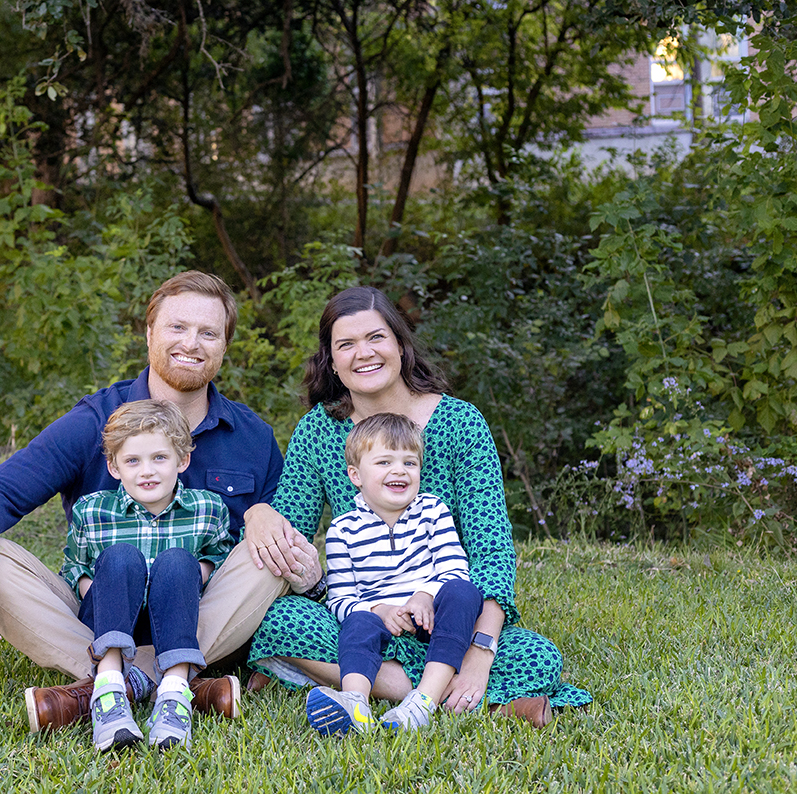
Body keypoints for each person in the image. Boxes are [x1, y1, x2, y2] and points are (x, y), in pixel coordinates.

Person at [0, 271, 318, 732]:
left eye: (208, 332)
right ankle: (168, 682)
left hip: (200, 612)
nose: (191, 343)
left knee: (268, 553)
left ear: (224, 345)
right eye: (178, 327)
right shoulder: (96, 421)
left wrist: (261, 514)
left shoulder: (252, 437)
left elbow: (294, 555)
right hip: (97, 613)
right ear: (150, 332)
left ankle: (109, 687)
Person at [243, 286, 591, 727]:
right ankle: (453, 698)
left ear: (401, 346)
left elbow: (491, 550)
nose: (363, 354)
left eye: (376, 338)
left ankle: (363, 686)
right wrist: (258, 514)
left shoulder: (460, 423)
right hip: (365, 620)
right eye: (345, 344)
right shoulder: (319, 429)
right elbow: (289, 532)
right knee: (281, 621)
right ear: (331, 361)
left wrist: (481, 652)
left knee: (538, 657)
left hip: (449, 620)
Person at [63, 399, 232, 751]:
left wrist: (186, 574)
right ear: (114, 467)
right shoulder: (91, 511)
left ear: (182, 460)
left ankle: (173, 696)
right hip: (110, 614)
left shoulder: (208, 509)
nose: (147, 471)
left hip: (173, 618)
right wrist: (113, 588)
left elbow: (220, 558)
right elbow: (75, 567)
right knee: (122, 557)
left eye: (159, 458)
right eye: (132, 461)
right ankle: (108, 692)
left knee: (177, 561)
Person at [305, 412, 482, 736]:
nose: (399, 470)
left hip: (432, 620)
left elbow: (454, 568)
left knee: (463, 592)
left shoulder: (433, 511)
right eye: (384, 462)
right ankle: (354, 703)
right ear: (355, 475)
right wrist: (379, 610)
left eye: (409, 463)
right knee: (358, 622)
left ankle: (423, 702)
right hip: (378, 622)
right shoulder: (343, 530)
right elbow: (340, 598)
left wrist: (425, 595)